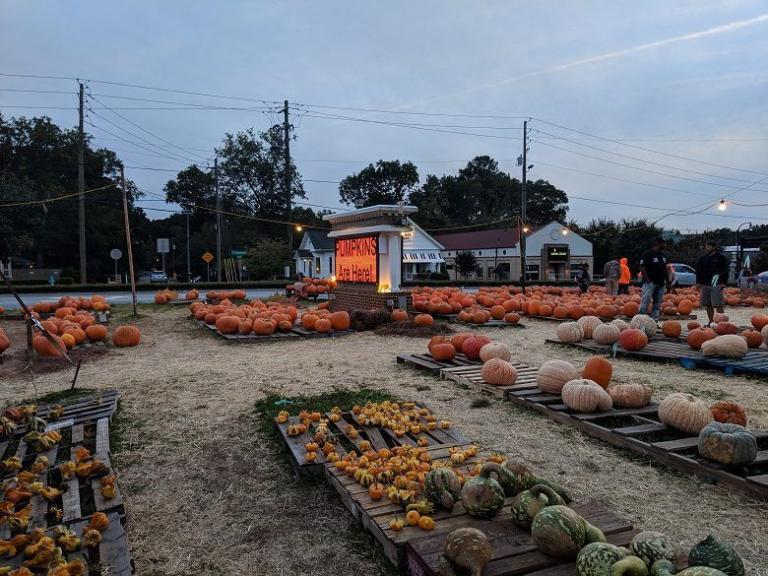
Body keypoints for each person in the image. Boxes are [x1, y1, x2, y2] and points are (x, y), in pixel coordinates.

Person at [696, 241, 729, 324]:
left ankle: (721, 323)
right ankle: (711, 322)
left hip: (717, 284)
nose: (706, 248)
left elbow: (725, 270)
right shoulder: (703, 258)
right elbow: (699, 270)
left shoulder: (720, 257)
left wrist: (724, 282)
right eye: (706, 247)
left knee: (718, 304)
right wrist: (698, 282)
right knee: (708, 305)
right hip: (705, 284)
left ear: (713, 247)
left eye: (708, 246)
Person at [639, 238, 668, 319]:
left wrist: (667, 281)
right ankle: (640, 320)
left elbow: (664, 268)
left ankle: (654, 321)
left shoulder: (663, 255)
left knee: (657, 304)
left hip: (661, 283)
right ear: (658, 243)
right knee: (645, 302)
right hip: (650, 283)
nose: (665, 245)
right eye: (664, 243)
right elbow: (642, 267)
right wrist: (647, 280)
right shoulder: (648, 254)